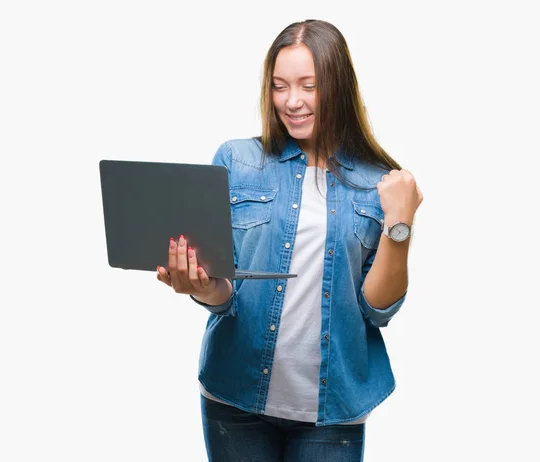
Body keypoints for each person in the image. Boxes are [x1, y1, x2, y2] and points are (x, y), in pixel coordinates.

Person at [156, 19, 423, 462]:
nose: (291, 101)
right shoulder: (237, 162)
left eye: (308, 85)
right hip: (235, 397)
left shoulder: (378, 183)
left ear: (337, 87)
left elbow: (378, 310)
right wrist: (202, 287)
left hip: (332, 410)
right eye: (280, 86)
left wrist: (400, 226)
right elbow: (225, 294)